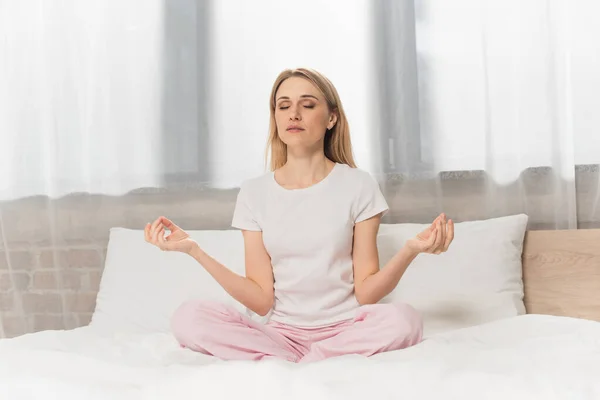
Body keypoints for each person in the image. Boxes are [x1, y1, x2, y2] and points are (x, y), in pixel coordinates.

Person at [144, 67, 454, 363]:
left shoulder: (358, 184)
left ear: (331, 118)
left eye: (307, 105)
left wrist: (411, 250)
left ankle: (302, 360)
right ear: (276, 118)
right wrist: (194, 251)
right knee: (188, 317)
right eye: (283, 106)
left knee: (405, 320)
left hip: (345, 329)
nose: (294, 114)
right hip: (282, 335)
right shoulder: (254, 192)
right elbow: (261, 300)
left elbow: (367, 292)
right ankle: (302, 359)